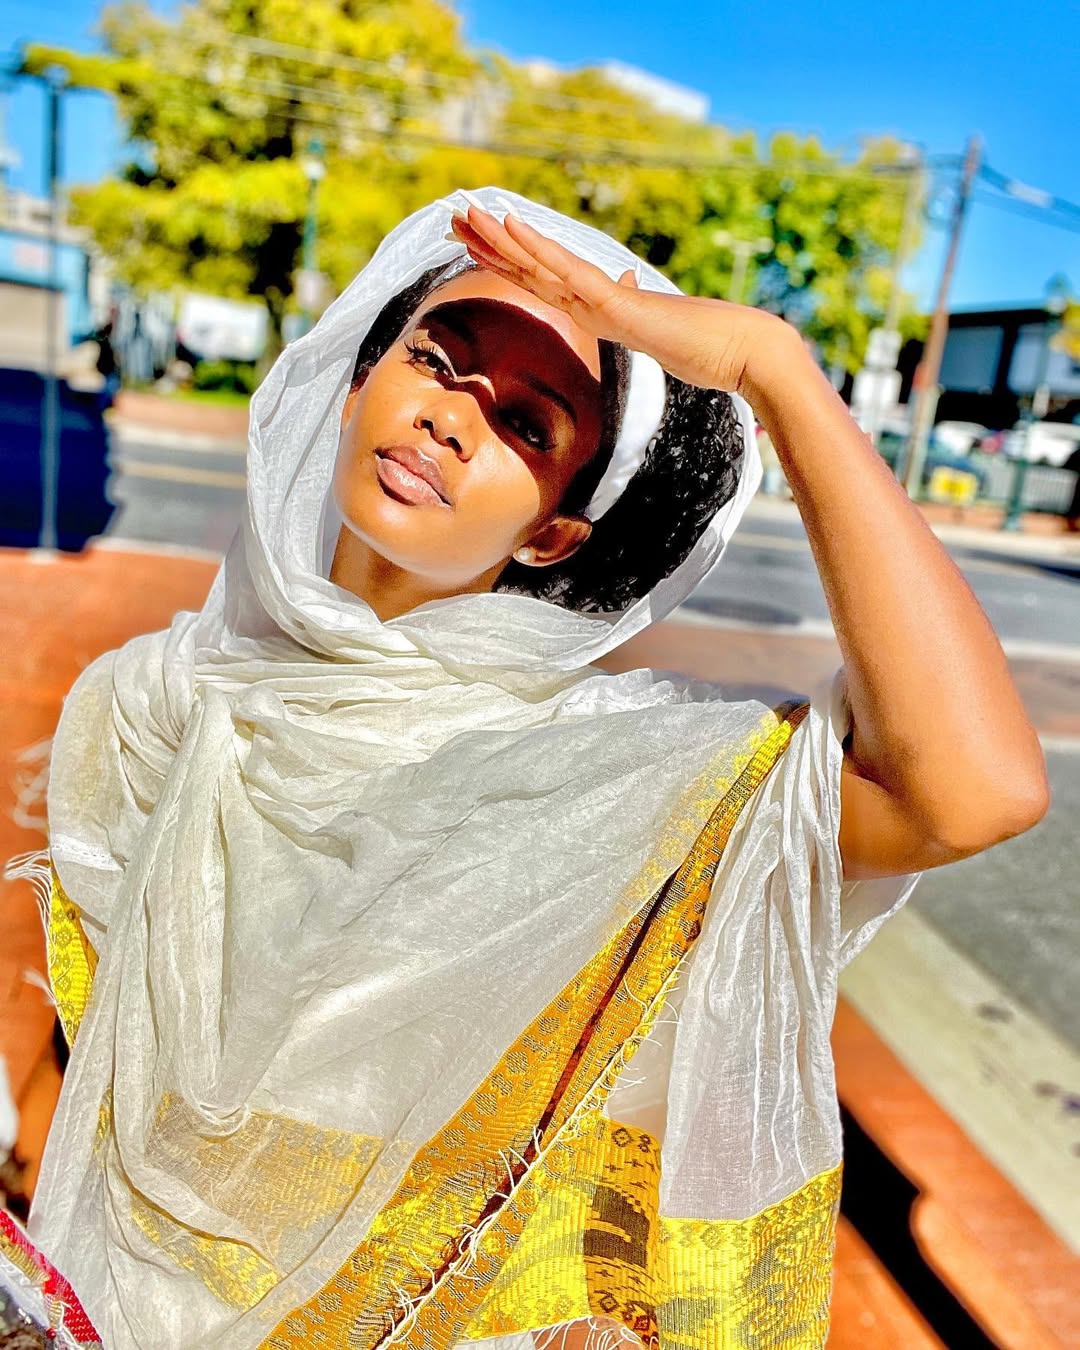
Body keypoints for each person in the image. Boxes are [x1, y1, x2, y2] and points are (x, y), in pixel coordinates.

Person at [3, 188, 1047, 1349]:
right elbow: (73, 1048)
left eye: (529, 425)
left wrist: (777, 371)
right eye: (436, 360)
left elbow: (973, 790)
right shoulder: (150, 700)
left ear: (552, 535)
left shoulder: (600, 781)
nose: (452, 418)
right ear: (357, 383)